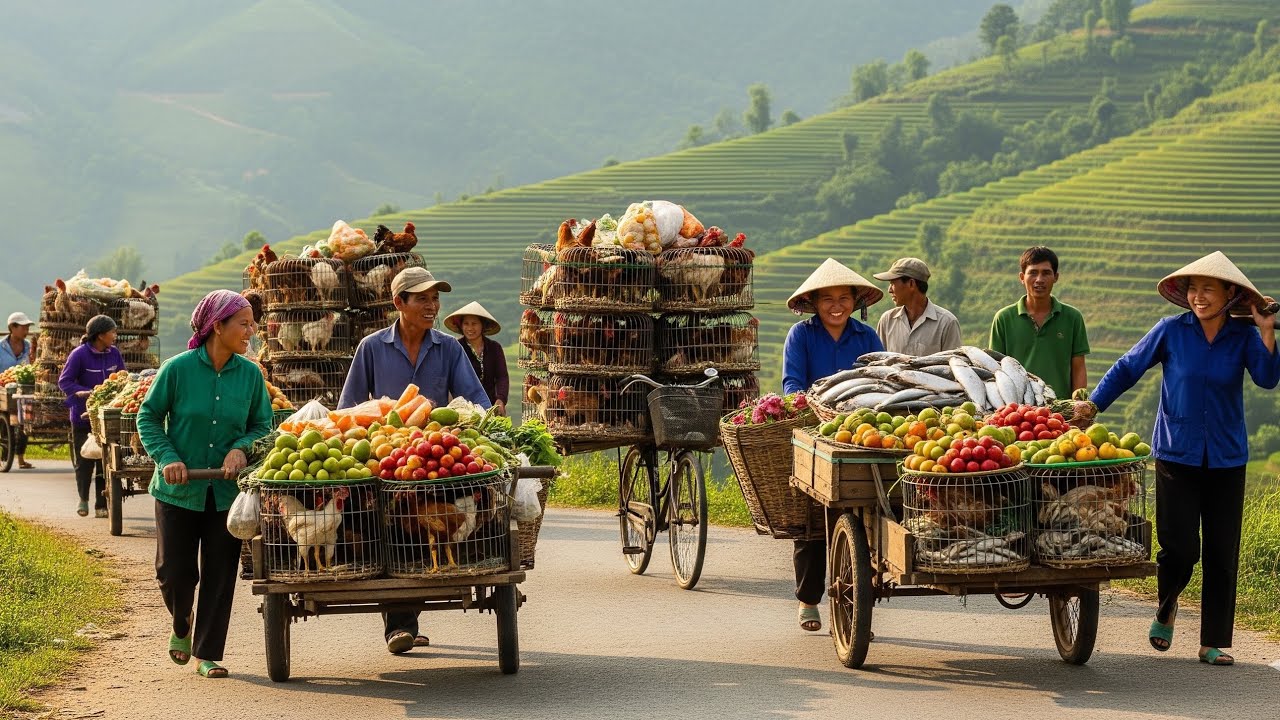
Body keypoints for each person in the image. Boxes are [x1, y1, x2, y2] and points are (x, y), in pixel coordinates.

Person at [1090, 252, 1278, 667]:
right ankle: (1167, 606)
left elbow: (1267, 378)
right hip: (1176, 453)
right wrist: (1094, 405)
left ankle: (1213, 641)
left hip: (1227, 457)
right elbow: (1127, 367)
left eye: (1208, 289)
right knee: (1179, 547)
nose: (1199, 296)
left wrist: (1266, 330)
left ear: (1230, 295)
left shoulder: (1243, 336)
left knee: (1221, 552)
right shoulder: (1170, 331)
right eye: (1193, 289)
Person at [338, 267, 490, 654]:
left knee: (431, 524)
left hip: (432, 458)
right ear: (399, 303)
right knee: (387, 528)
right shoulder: (372, 347)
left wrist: (485, 428)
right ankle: (401, 624)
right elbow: (348, 407)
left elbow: (476, 400)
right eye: (422, 298)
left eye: (435, 298)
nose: (432, 305)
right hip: (385, 457)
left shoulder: (449, 348)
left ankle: (407, 619)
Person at [138, 290, 273, 679]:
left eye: (252, 324)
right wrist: (168, 458)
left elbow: (262, 425)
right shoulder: (176, 369)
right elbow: (148, 417)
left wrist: (241, 449)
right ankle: (182, 621)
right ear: (217, 326)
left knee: (220, 573)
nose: (252, 331)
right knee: (173, 572)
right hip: (178, 490)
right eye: (244, 324)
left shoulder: (250, 375)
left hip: (226, 492)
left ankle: (206, 654)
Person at [782, 258, 884, 634]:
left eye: (844, 298)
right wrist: (816, 407)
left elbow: (881, 379)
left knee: (867, 521)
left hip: (860, 435)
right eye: (828, 299)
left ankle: (857, 610)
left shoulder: (867, 337)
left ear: (856, 301)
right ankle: (808, 600)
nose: (836, 306)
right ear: (814, 302)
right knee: (811, 524)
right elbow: (792, 385)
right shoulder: (801, 335)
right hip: (816, 433)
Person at [989, 246, 1090, 399]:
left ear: (1056, 277)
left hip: (1061, 408)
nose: (1039, 280)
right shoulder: (1004, 318)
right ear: (1022, 277)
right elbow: (996, 369)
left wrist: (1078, 404)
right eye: (1033, 273)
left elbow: (1078, 368)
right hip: (1018, 408)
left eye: (1046, 273)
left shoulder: (1073, 317)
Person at [58, 315, 124, 517]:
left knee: (105, 462)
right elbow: (64, 382)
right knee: (84, 460)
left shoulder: (114, 353)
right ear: (101, 335)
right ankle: (83, 499)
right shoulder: (79, 355)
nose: (115, 335)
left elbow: (122, 377)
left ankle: (101, 505)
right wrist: (85, 392)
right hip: (82, 416)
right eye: (112, 332)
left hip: (107, 418)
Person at [872, 257, 962, 356]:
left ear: (911, 284)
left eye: (893, 284)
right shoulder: (887, 320)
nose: (889, 290)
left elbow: (953, 362)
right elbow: (878, 359)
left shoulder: (947, 323)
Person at [444, 301, 510, 415]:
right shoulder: (456, 347)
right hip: (464, 409)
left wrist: (501, 399)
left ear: (482, 325)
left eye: (474, 324)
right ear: (461, 326)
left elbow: (502, 377)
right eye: (466, 324)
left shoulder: (494, 348)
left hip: (491, 407)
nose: (470, 328)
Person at [2, 312, 36, 469]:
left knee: (24, 420)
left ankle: (21, 458)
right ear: (12, 328)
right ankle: (5, 456)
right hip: (4, 388)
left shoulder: (28, 346)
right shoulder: (1, 347)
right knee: (6, 423)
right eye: (23, 327)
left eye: (27, 327)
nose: (26, 331)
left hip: (24, 389)